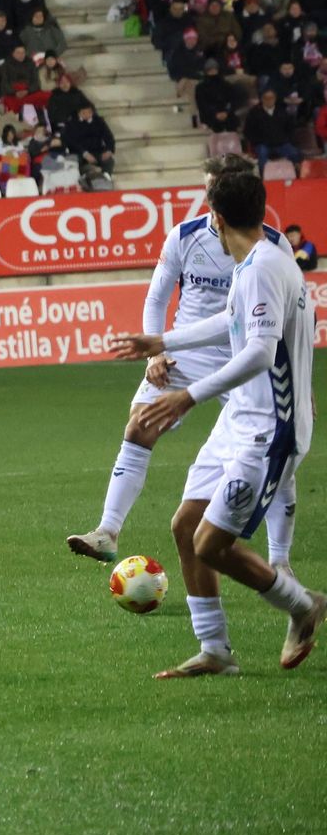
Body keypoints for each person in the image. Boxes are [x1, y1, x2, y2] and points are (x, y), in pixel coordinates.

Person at [110, 171, 323, 678]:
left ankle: (303, 605)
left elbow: (258, 351)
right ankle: (215, 649)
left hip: (270, 428)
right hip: (240, 418)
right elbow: (230, 324)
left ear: (217, 218)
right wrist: (163, 342)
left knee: (211, 543)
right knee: (185, 526)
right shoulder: (263, 259)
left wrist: (189, 395)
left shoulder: (261, 269)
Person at [68, 157, 294, 567]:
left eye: (218, 191)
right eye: (208, 190)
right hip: (188, 352)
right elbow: (157, 298)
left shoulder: (273, 247)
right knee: (140, 425)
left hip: (247, 358)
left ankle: (280, 560)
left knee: (275, 450)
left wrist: (299, 383)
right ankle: (107, 531)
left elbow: (288, 318)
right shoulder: (185, 236)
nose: (210, 202)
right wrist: (157, 352)